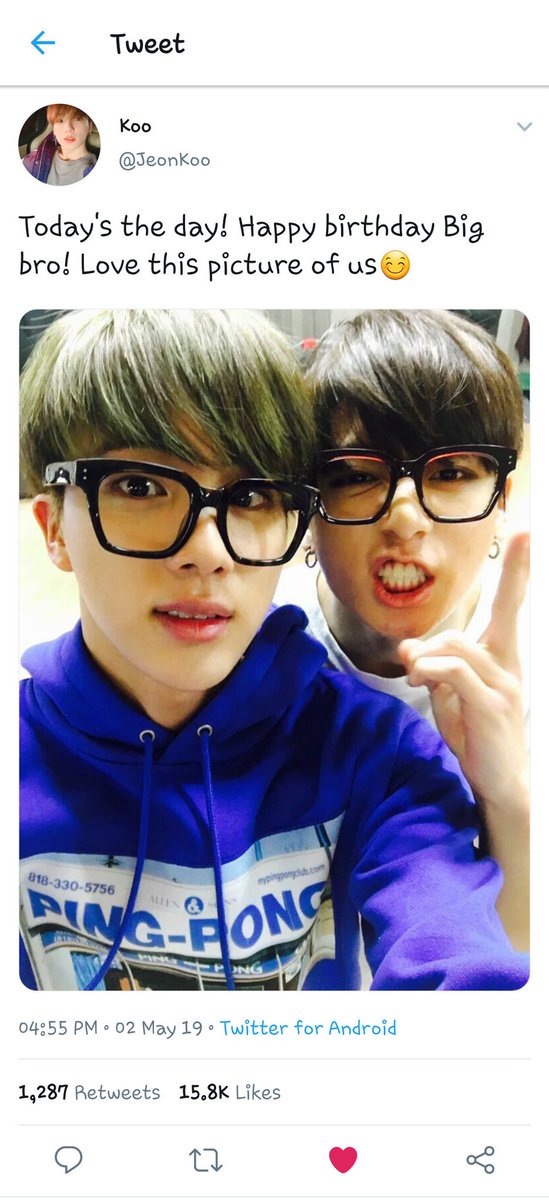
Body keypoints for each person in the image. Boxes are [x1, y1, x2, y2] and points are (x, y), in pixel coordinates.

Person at [20, 308, 528, 992]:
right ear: (53, 527)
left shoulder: (377, 750)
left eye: (253, 494)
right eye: (140, 485)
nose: (207, 551)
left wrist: (507, 797)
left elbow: (456, 951)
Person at [276, 309, 529, 951]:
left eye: (451, 473)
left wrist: (504, 794)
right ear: (309, 505)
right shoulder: (254, 651)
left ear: (501, 499)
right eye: (358, 475)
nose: (406, 518)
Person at [22, 104, 97, 185]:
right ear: (54, 129)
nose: (68, 128)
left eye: (77, 119)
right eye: (60, 120)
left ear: (90, 126)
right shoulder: (39, 155)